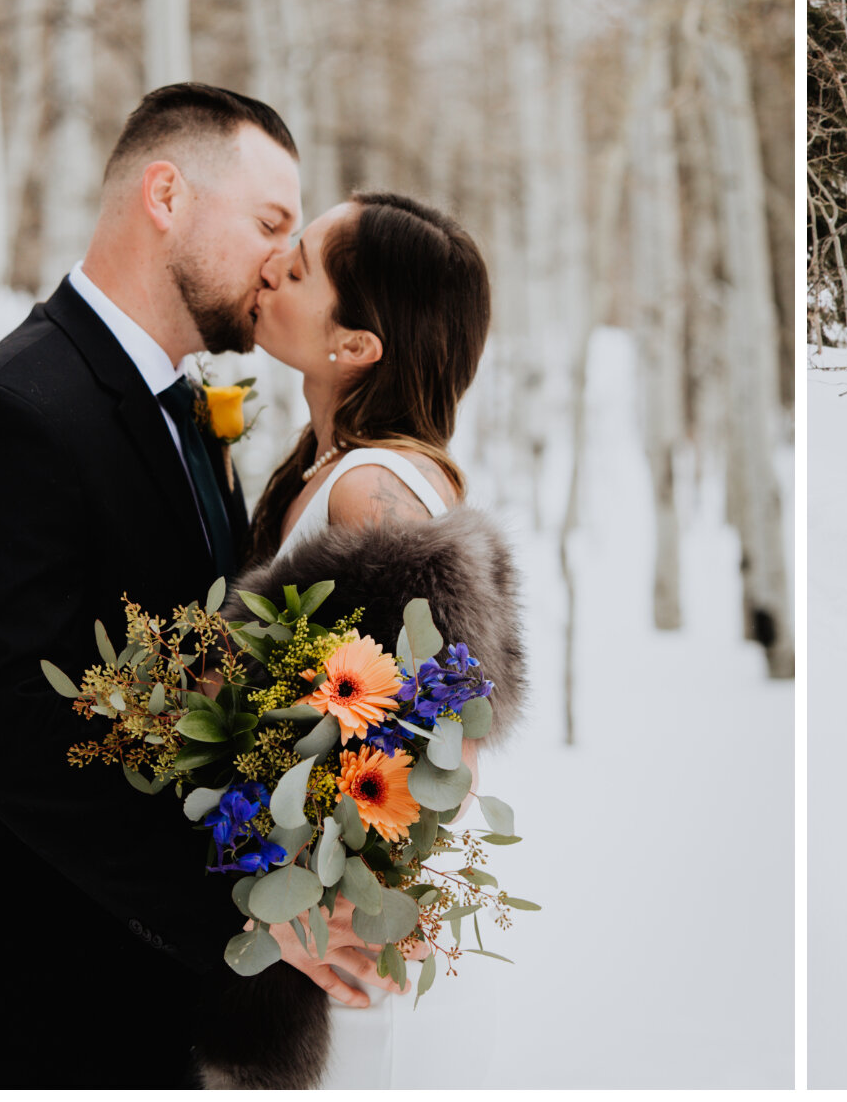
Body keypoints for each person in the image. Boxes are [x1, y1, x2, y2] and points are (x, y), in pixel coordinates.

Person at [0, 84, 409, 1088]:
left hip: (136, 994)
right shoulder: (9, 414)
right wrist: (250, 906)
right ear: (165, 194)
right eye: (270, 222)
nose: (282, 258)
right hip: (7, 1004)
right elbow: (4, 730)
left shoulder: (190, 415)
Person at [187, 191, 526, 1089]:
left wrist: (324, 900)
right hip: (309, 943)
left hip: (352, 972)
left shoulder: (371, 490)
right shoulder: (323, 468)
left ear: (354, 345)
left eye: (296, 268)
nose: (269, 268)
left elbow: (437, 752)